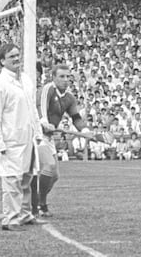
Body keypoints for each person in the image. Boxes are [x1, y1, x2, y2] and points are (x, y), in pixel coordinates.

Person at [0, 43, 46, 231]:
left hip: (27, 138)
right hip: (10, 140)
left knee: (27, 178)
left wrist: (38, 133)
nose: (16, 59)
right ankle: (10, 219)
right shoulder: (0, 84)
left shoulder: (26, 80)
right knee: (11, 180)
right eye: (11, 56)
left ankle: (25, 214)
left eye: (17, 55)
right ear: (2, 61)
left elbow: (32, 110)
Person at [34, 63, 90, 217]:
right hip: (37, 134)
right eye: (62, 76)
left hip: (49, 137)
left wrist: (85, 131)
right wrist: (44, 122)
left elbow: (76, 118)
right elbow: (41, 108)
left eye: (68, 77)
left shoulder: (69, 98)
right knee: (48, 168)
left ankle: (37, 202)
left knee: (55, 176)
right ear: (53, 77)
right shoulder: (48, 89)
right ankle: (41, 205)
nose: (66, 80)